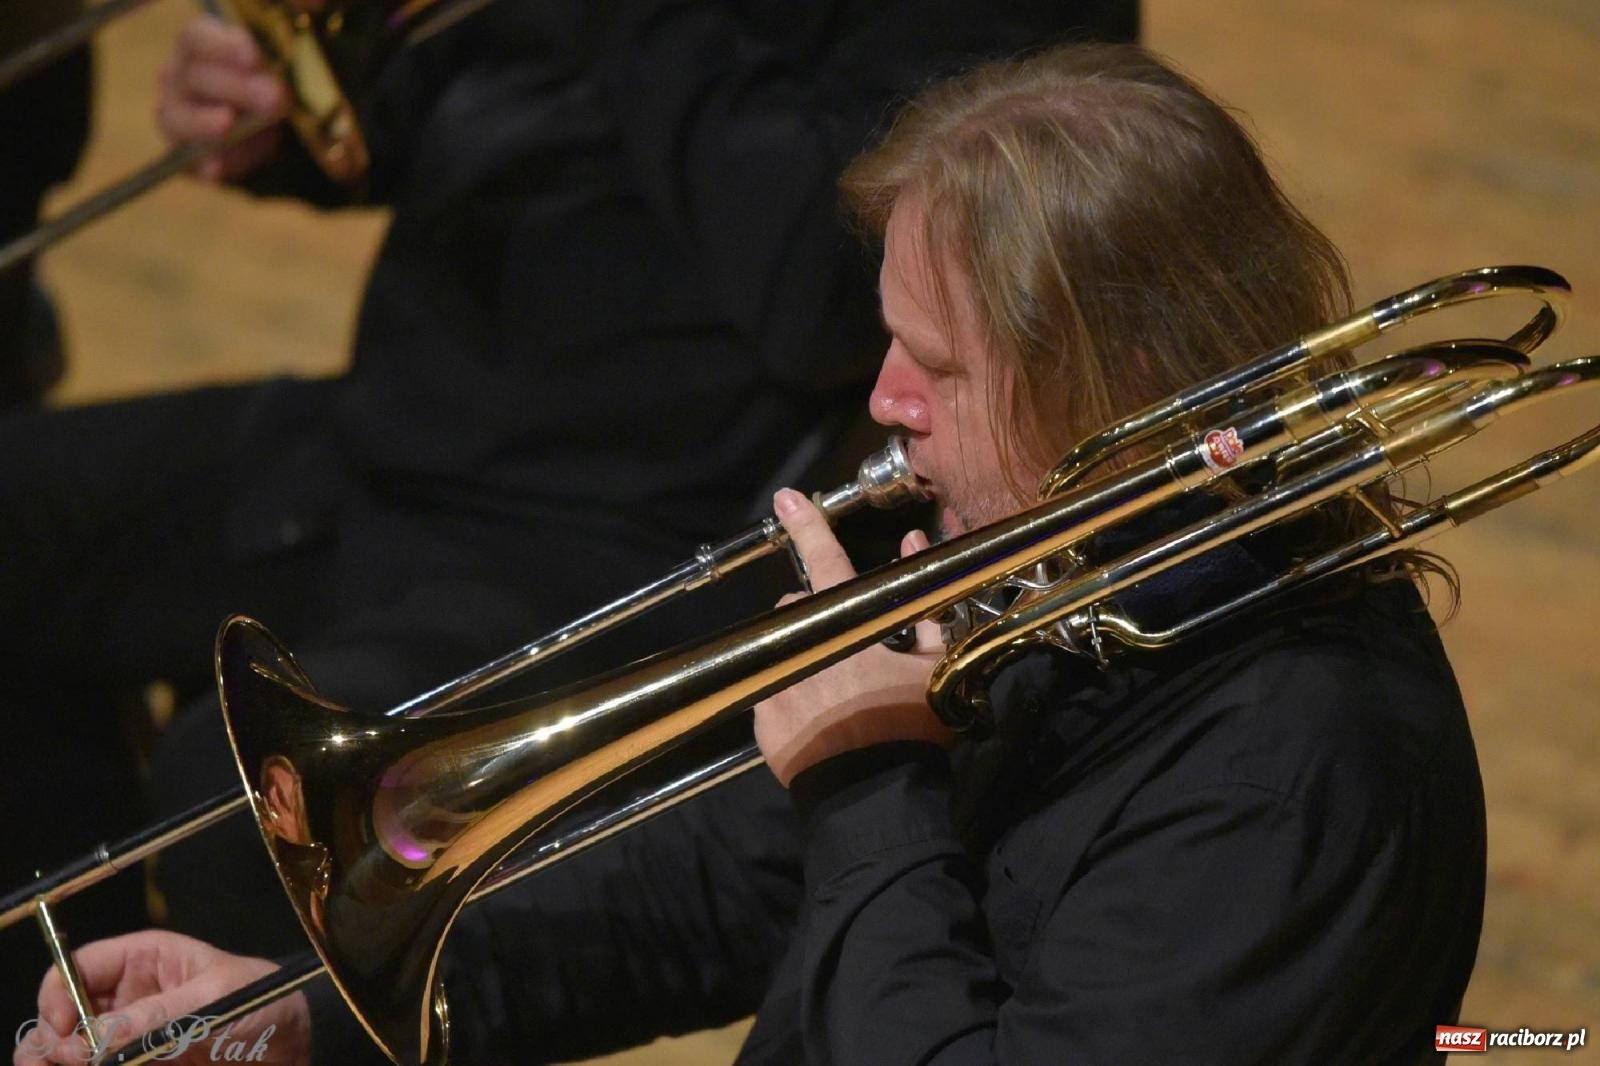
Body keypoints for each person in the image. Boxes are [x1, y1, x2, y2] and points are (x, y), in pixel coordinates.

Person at [17, 39, 1485, 1066]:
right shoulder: (1062, 567)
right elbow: (706, 895)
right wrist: (295, 1021)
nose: (881, 404)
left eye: (933, 364)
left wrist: (866, 785)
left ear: (1110, 375)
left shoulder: (1298, 772)